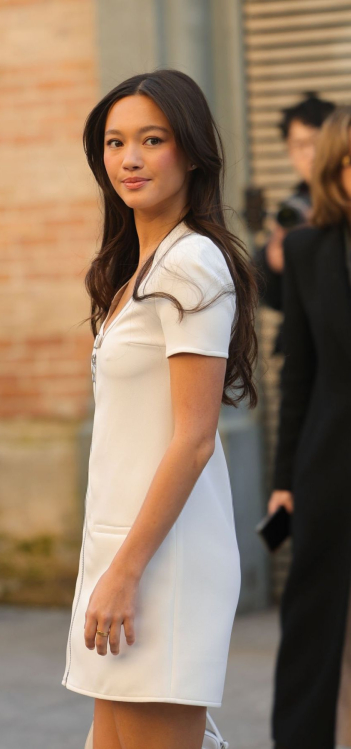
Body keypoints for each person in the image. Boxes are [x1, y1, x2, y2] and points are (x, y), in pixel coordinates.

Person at [60, 69, 259, 749]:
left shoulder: (192, 264)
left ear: (192, 151)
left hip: (160, 566)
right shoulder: (135, 268)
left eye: (153, 139)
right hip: (122, 555)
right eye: (116, 142)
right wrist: (108, 567)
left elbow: (194, 439)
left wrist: (125, 572)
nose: (131, 158)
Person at [267, 105, 351, 749]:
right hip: (332, 467)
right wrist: (284, 479)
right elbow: (298, 373)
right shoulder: (307, 249)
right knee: (317, 621)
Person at [254, 92, 335, 355]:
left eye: (317, 141)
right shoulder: (292, 210)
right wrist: (274, 263)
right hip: (308, 349)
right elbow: (273, 298)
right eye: (299, 145)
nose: (310, 154)